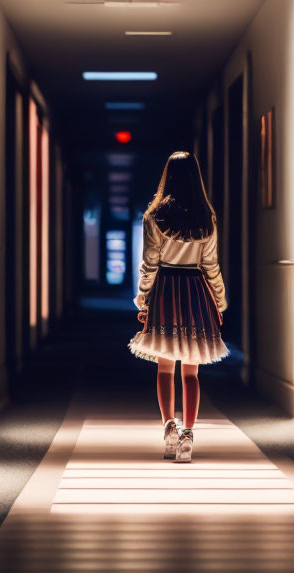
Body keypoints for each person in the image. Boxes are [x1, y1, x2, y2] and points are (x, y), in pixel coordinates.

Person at [128, 151, 228, 463]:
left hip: (166, 291)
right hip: (196, 291)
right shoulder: (206, 219)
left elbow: (149, 264)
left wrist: (143, 296)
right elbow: (211, 266)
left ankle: (169, 428)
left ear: (167, 176)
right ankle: (188, 434)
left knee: (165, 367)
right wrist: (219, 303)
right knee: (191, 372)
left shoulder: (155, 216)